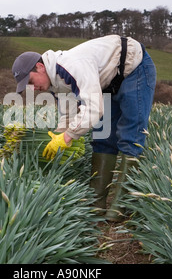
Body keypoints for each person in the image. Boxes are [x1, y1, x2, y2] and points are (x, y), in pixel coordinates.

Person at [11, 35, 156, 222]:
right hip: (107, 81)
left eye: (30, 82)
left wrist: (68, 136)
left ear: (39, 67)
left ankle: (122, 203)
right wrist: (58, 136)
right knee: (103, 137)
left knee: (131, 134)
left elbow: (94, 108)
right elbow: (69, 115)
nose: (33, 89)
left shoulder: (72, 66)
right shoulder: (56, 84)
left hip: (134, 68)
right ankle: (97, 201)